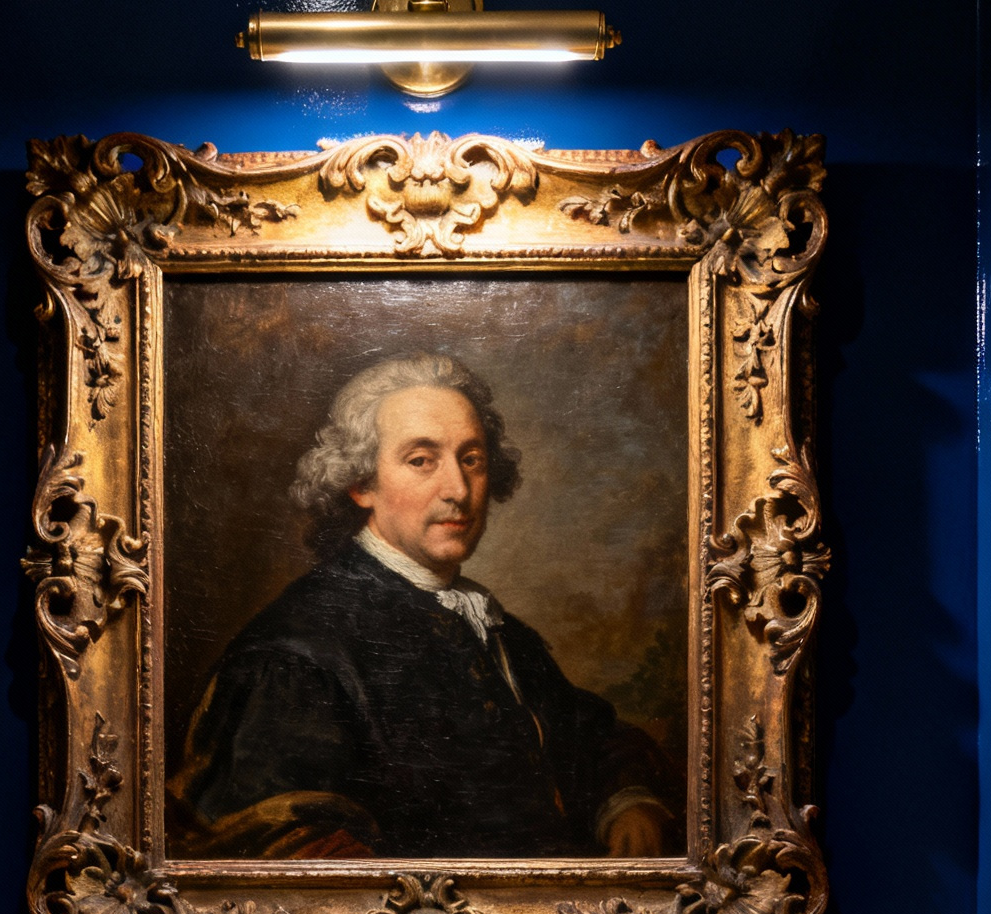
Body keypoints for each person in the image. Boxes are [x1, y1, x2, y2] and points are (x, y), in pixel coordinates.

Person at [167, 352, 674, 860]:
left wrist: (627, 802)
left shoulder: (494, 629)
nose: (458, 490)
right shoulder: (296, 653)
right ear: (361, 483)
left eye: (471, 459)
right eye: (421, 460)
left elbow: (585, 735)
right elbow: (289, 849)